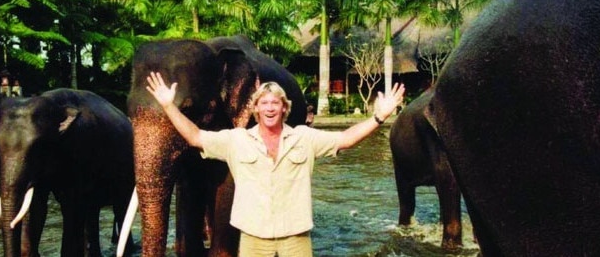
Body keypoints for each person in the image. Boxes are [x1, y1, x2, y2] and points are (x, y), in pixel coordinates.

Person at [145, 71, 405, 257]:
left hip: (295, 238)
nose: (269, 108)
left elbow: (346, 139)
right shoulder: (237, 140)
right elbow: (195, 137)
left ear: (284, 108)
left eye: (275, 103)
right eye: (264, 103)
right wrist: (169, 106)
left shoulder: (304, 138)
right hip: (253, 240)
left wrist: (378, 118)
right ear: (255, 109)